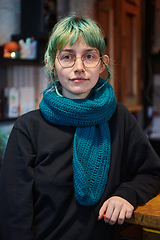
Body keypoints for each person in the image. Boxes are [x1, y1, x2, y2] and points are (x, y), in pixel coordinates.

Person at [0, 15, 160, 240]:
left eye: (89, 56)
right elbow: (14, 214)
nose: (79, 67)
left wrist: (127, 195)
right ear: (51, 65)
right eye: (67, 56)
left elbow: (151, 172)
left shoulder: (119, 117)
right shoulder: (28, 128)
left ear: (102, 63)